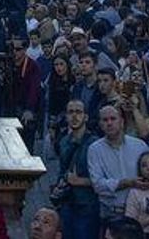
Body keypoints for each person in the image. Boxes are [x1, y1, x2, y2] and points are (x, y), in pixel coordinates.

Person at [86, 105, 149, 233]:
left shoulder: (139, 146)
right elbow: (98, 185)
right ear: (100, 124)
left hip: (140, 213)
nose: (109, 123)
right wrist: (127, 182)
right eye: (105, 120)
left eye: (113, 119)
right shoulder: (94, 150)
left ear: (121, 122)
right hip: (111, 213)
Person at [53, 100, 99, 239]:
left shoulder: (95, 145)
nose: (74, 116)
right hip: (67, 203)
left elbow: (103, 179)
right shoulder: (63, 142)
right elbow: (63, 170)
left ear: (86, 116)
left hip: (87, 205)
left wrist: (79, 181)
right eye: (70, 112)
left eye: (78, 112)